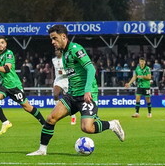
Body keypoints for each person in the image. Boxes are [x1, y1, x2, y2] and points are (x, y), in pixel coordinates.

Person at [27, 24, 124, 156]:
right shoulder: (64, 53)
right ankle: (42, 150)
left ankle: (112, 124)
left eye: (54, 38)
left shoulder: (76, 49)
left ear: (63, 36)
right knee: (50, 118)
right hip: (72, 94)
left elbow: (90, 69)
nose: (52, 42)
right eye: (51, 39)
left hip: (86, 94)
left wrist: (87, 90)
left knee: (87, 128)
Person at [0, 36, 46, 135]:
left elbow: (7, 69)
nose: (0, 44)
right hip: (4, 84)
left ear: (6, 44)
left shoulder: (9, 54)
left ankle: (44, 123)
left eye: (2, 42)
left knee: (27, 107)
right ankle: (5, 122)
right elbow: (1, 70)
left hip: (14, 85)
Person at [52, 45, 76, 126]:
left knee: (69, 99)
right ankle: (57, 111)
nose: (56, 52)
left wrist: (63, 72)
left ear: (61, 51)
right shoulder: (53, 60)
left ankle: (73, 116)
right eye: (55, 51)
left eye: (58, 50)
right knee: (55, 94)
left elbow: (71, 70)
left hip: (67, 80)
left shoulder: (66, 59)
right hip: (58, 80)